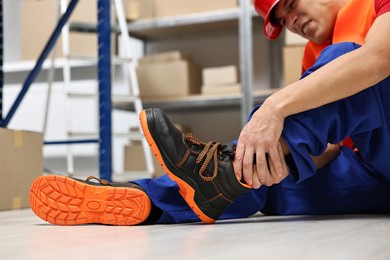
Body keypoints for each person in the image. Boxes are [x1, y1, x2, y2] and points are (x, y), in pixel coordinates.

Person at [30, 0, 390, 226]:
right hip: (375, 175)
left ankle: (221, 172)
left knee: (347, 63)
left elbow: (378, 60)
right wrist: (269, 160)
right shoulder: (314, 53)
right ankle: (145, 199)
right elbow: (323, 145)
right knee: (263, 178)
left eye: (292, 4)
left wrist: (275, 106)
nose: (291, 20)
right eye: (281, 19)